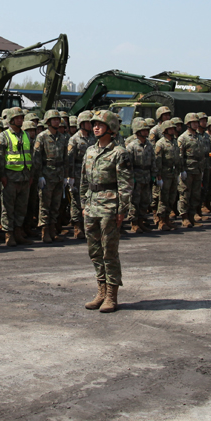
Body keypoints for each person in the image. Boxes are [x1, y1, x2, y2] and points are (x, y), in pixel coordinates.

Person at [80, 110, 132, 314]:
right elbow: (84, 181)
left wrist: (122, 210)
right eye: (94, 124)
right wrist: (84, 204)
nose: (95, 128)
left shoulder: (119, 153)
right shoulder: (90, 151)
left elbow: (125, 185)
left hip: (110, 208)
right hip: (92, 207)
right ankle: (100, 291)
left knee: (109, 251)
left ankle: (111, 295)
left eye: (100, 125)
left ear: (111, 129)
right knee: (94, 251)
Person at [0, 107, 33, 246]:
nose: (20, 120)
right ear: (11, 120)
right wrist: (3, 176)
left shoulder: (26, 135)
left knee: (21, 207)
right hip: (10, 178)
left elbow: (30, 156)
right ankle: (8, 234)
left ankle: (18, 232)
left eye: (21, 118)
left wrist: (30, 175)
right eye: (17, 118)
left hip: (24, 177)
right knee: (8, 207)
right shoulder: (3, 136)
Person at [33, 109, 69, 243]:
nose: (56, 121)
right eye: (53, 119)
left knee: (56, 205)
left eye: (57, 119)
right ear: (48, 122)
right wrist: (40, 175)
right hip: (47, 175)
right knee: (45, 205)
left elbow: (66, 158)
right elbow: (37, 158)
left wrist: (66, 176)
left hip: (59, 174)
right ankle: (44, 231)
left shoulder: (62, 137)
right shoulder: (42, 137)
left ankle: (53, 230)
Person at [66, 110, 94, 239]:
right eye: (88, 122)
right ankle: (77, 226)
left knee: (90, 200)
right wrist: (70, 176)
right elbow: (70, 159)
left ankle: (89, 226)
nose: (90, 125)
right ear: (81, 124)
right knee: (77, 201)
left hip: (91, 173)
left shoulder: (93, 138)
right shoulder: (74, 139)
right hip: (77, 173)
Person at [124, 117, 154, 233]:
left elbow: (153, 161)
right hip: (136, 177)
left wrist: (154, 175)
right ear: (138, 131)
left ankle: (142, 221)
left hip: (146, 176)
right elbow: (128, 164)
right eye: (144, 130)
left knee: (145, 200)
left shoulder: (149, 145)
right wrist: (131, 178)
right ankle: (134, 223)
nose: (146, 132)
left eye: (147, 130)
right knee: (134, 201)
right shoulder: (132, 146)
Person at [177, 113, 206, 227]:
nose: (195, 124)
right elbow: (180, 156)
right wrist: (182, 170)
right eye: (193, 122)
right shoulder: (183, 138)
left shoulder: (200, 137)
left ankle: (192, 216)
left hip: (198, 170)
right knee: (185, 194)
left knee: (195, 195)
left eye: (197, 122)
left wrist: (202, 169)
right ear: (188, 124)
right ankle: (184, 218)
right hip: (187, 170)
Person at [153, 120, 181, 231]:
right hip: (164, 174)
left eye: (173, 128)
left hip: (173, 174)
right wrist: (158, 175)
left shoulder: (174, 142)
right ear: (165, 130)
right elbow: (158, 160)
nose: (173, 130)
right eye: (171, 128)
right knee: (163, 198)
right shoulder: (160, 143)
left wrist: (179, 172)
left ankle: (167, 218)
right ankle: (161, 221)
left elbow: (178, 158)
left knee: (172, 197)